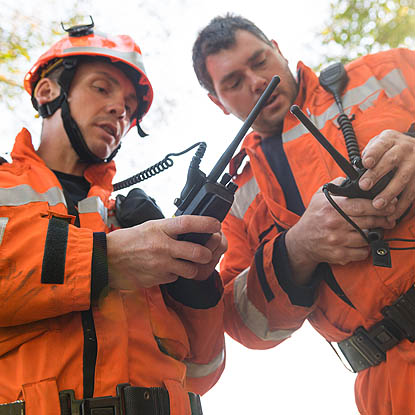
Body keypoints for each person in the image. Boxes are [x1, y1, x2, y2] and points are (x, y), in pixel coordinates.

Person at [0, 19, 227, 415]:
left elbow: (203, 372)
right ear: (47, 91)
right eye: (101, 87)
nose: (119, 109)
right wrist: (104, 259)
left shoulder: (137, 226)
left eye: (130, 106)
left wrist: (198, 288)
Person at [192, 13, 415, 415]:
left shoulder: (389, 71)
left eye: (259, 61)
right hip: (388, 390)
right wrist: (297, 250)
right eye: (233, 82)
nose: (257, 82)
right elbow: (244, 323)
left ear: (278, 49)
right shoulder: (236, 202)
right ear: (217, 102)